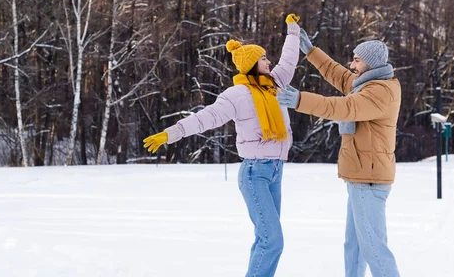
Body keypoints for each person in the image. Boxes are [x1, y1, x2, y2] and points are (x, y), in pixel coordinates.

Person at [142, 14, 301, 277]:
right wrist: (171, 134)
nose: (269, 61)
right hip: (254, 174)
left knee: (265, 240)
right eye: (263, 58)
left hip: (275, 171)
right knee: (272, 241)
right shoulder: (236, 95)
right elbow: (206, 118)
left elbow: (289, 60)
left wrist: (293, 30)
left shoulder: (276, 85)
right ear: (251, 64)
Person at [277, 32, 401, 277]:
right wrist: (311, 52)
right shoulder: (366, 84)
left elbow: (344, 108)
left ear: (371, 64)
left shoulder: (380, 92)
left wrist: (300, 100)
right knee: (354, 246)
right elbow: (339, 75)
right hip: (361, 176)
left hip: (369, 179)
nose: (351, 65)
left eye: (356, 60)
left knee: (373, 248)